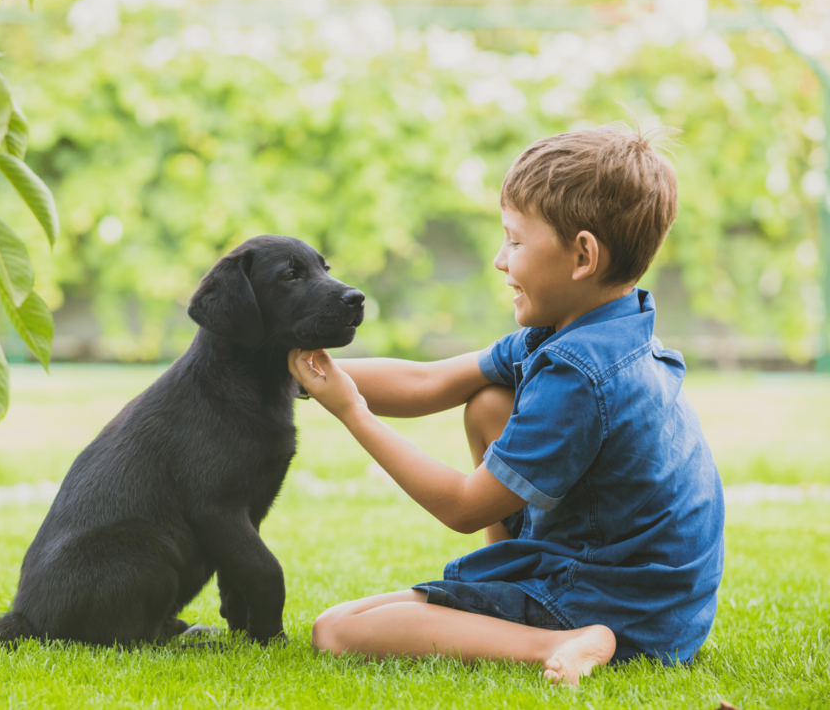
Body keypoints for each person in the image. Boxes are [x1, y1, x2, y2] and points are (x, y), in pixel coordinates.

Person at [288, 123, 724, 687]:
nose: (499, 260)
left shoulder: (578, 374)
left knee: (337, 631)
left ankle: (560, 640)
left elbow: (465, 509)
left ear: (583, 255)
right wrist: (289, 373)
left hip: (620, 608)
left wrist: (351, 411)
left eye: (515, 241)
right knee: (490, 401)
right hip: (663, 606)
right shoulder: (596, 327)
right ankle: (515, 597)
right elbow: (429, 382)